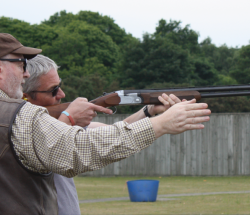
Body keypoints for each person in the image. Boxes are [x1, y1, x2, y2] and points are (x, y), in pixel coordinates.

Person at [0, 33, 211, 214]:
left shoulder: (21, 119)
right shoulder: (20, 118)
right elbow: (76, 149)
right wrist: (161, 124)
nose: (62, 94)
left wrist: (149, 111)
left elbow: (108, 134)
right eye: (20, 64)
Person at [22, 54, 185, 215]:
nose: (62, 94)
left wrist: (148, 111)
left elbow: (113, 133)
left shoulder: (56, 122)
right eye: (53, 90)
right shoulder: (20, 129)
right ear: (26, 96)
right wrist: (68, 117)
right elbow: (54, 149)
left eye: (59, 86)